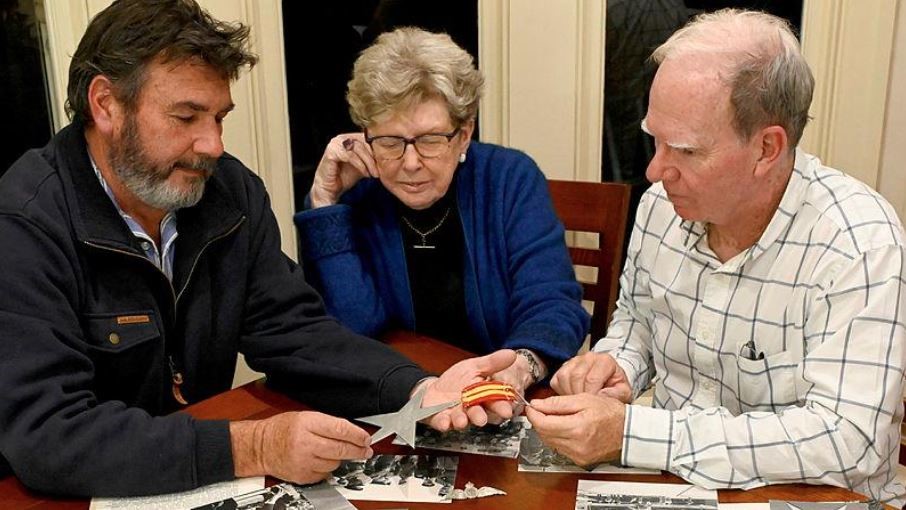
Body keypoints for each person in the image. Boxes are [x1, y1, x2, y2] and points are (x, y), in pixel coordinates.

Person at [0, 0, 518, 497]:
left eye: (219, 117)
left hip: (183, 478)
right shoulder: (23, 222)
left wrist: (416, 389)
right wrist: (256, 446)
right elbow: (49, 433)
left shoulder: (229, 193)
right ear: (106, 104)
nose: (213, 146)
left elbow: (292, 330)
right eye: (186, 118)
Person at [526, 9, 906, 506]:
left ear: (767, 148)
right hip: (678, 487)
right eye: (654, 139)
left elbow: (845, 442)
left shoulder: (859, 242)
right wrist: (616, 367)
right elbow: (639, 319)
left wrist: (634, 432)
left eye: (684, 150)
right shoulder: (663, 205)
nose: (656, 170)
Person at [294, 27, 589, 401]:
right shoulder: (358, 194)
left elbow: (553, 304)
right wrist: (324, 201)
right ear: (365, 135)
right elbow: (352, 330)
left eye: (431, 140)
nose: (411, 163)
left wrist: (516, 369)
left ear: (464, 134)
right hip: (397, 394)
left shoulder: (509, 179)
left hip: (499, 398)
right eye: (390, 141)